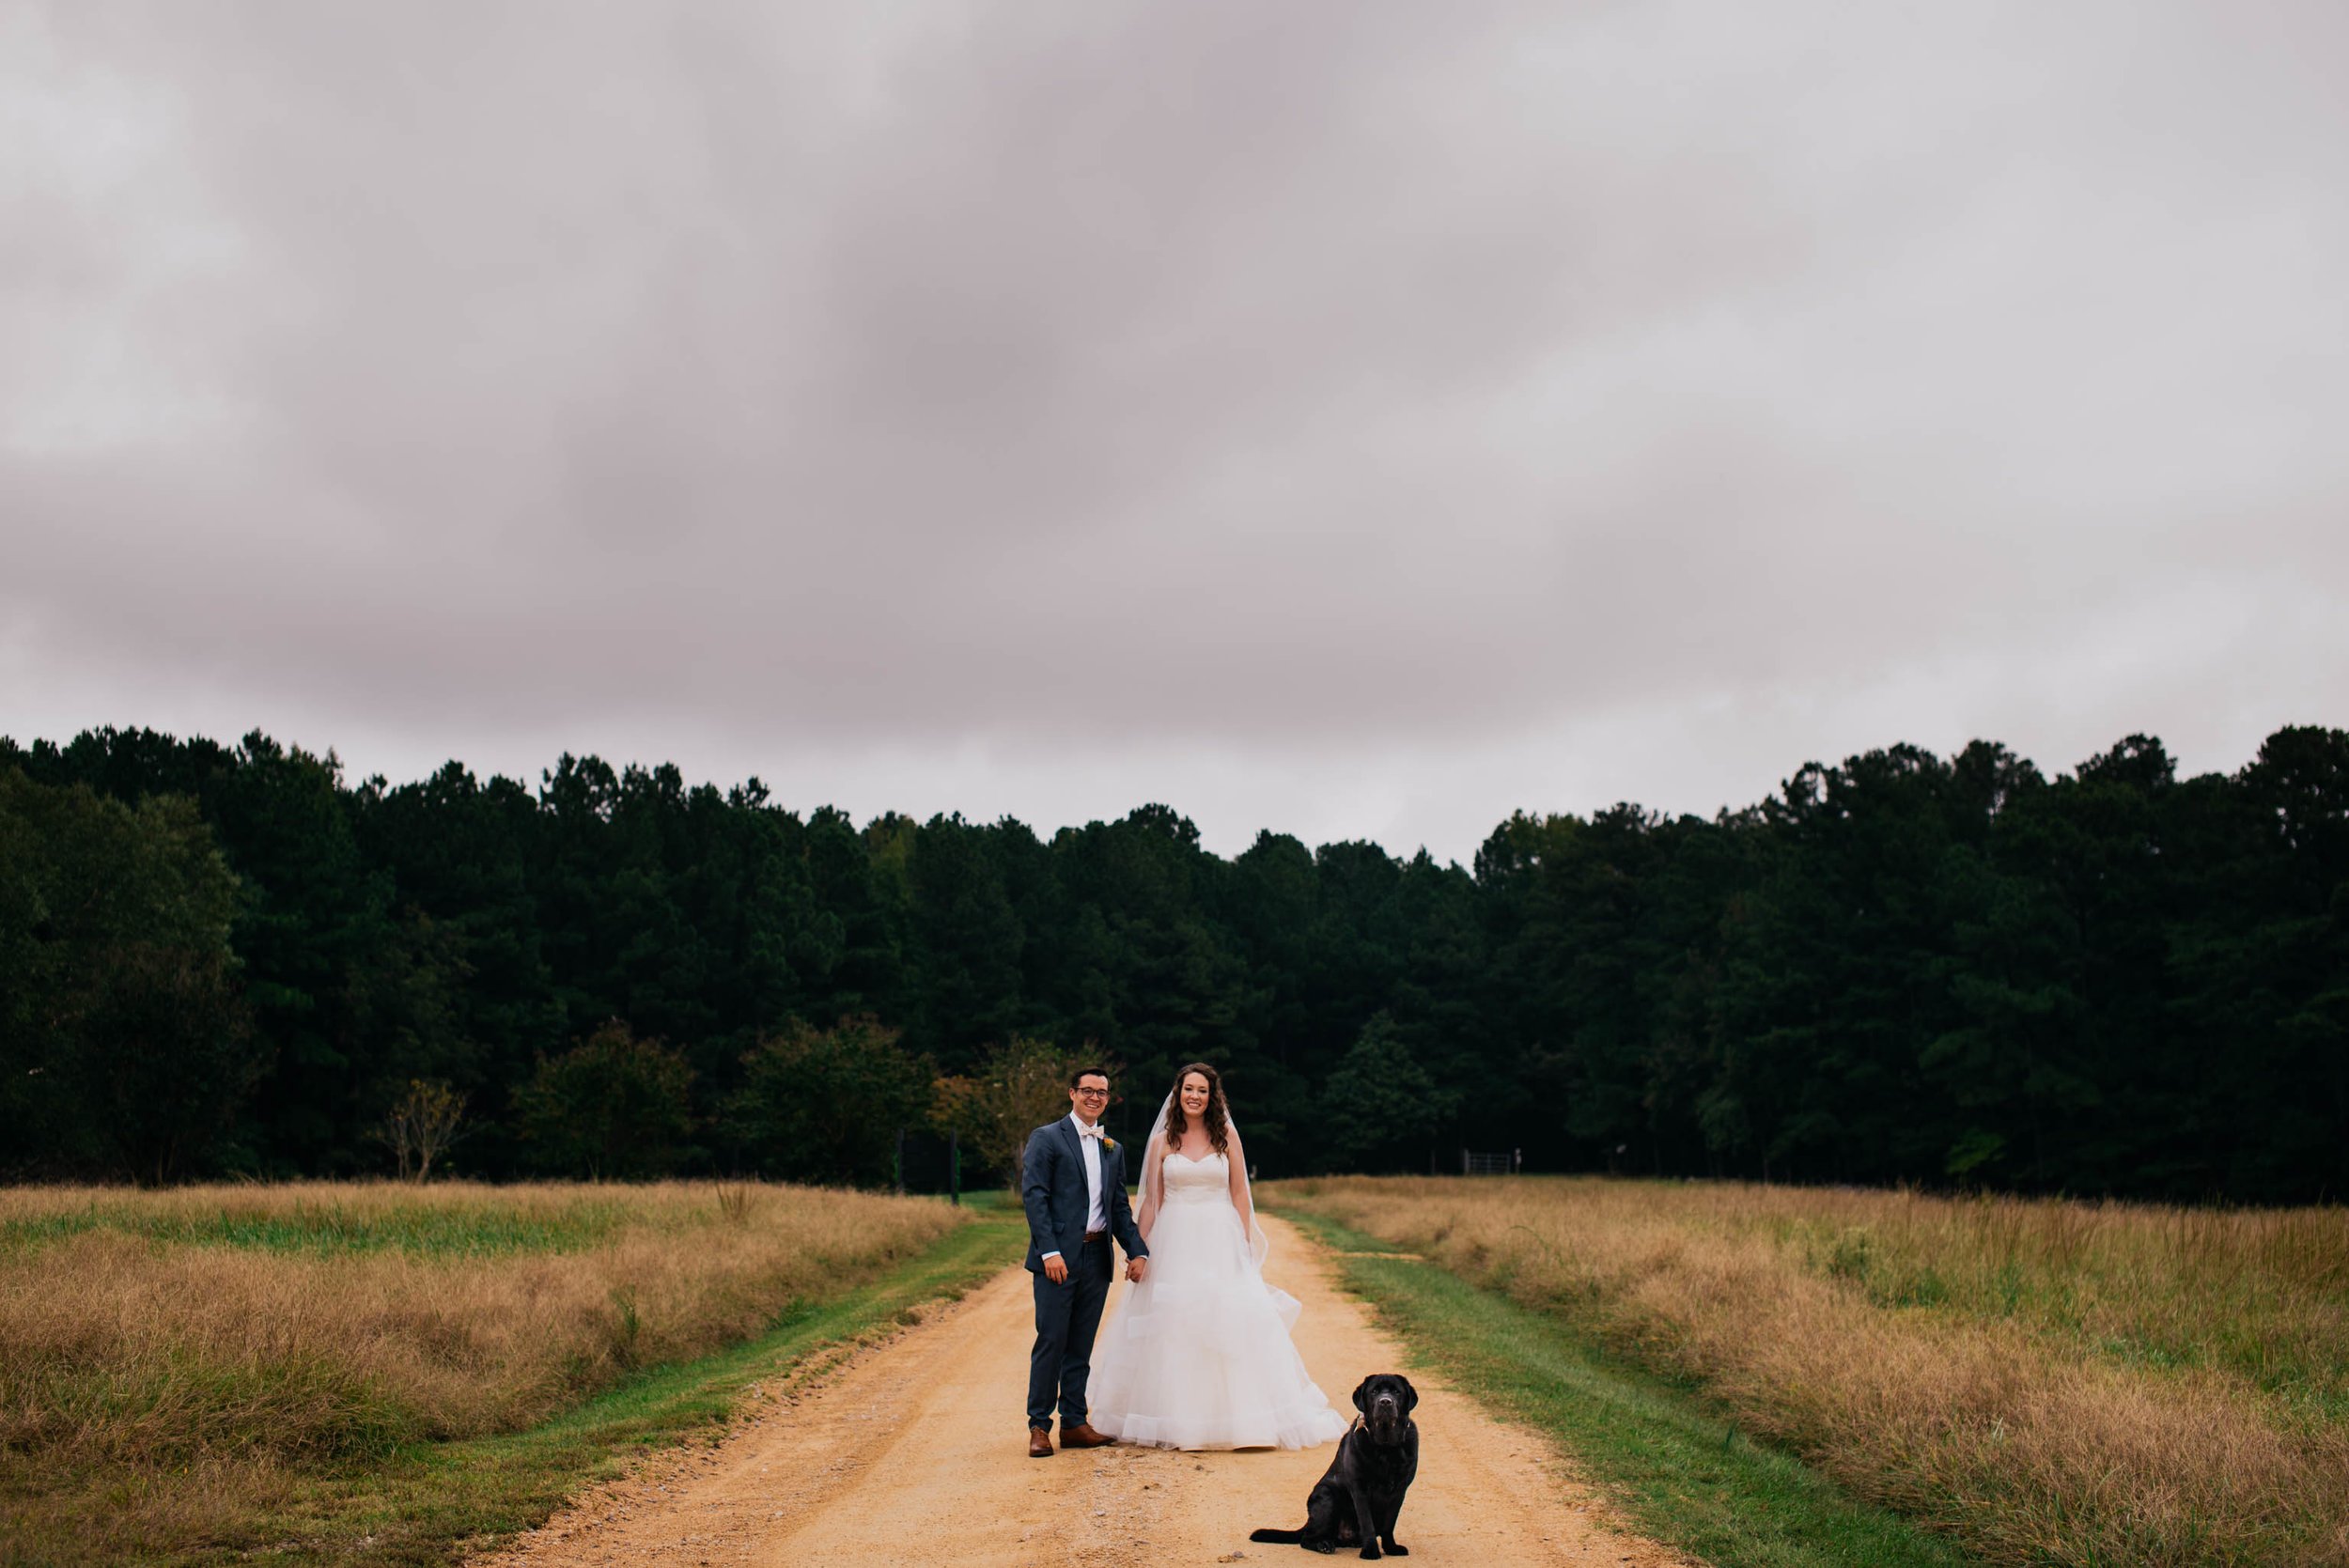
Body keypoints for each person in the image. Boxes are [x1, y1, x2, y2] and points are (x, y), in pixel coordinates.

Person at [1086, 1062, 1348, 1451]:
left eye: (1202, 1090)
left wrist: (1242, 1242)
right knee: (1173, 1324)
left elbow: (1240, 1193)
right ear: (1178, 1094)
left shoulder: (1226, 1136)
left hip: (1217, 1238)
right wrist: (1138, 1250)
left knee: (1226, 1322)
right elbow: (1152, 1202)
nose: (1194, 1096)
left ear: (1212, 1097)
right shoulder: (1162, 1142)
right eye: (1188, 1089)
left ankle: (1242, 1421)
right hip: (1172, 1240)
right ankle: (1173, 1418)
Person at [1020, 1065, 1148, 1458]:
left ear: (1108, 1099)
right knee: (1052, 1341)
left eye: (1103, 1092)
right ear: (1072, 1093)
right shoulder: (1047, 1138)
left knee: (1081, 1345)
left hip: (1096, 1257)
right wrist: (1049, 1251)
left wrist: (1138, 1249)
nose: (1095, 1097)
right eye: (1088, 1090)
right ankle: (1039, 1426)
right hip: (1058, 1257)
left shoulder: (1112, 1147)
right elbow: (1035, 1196)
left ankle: (1074, 1422)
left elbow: (1118, 1207)